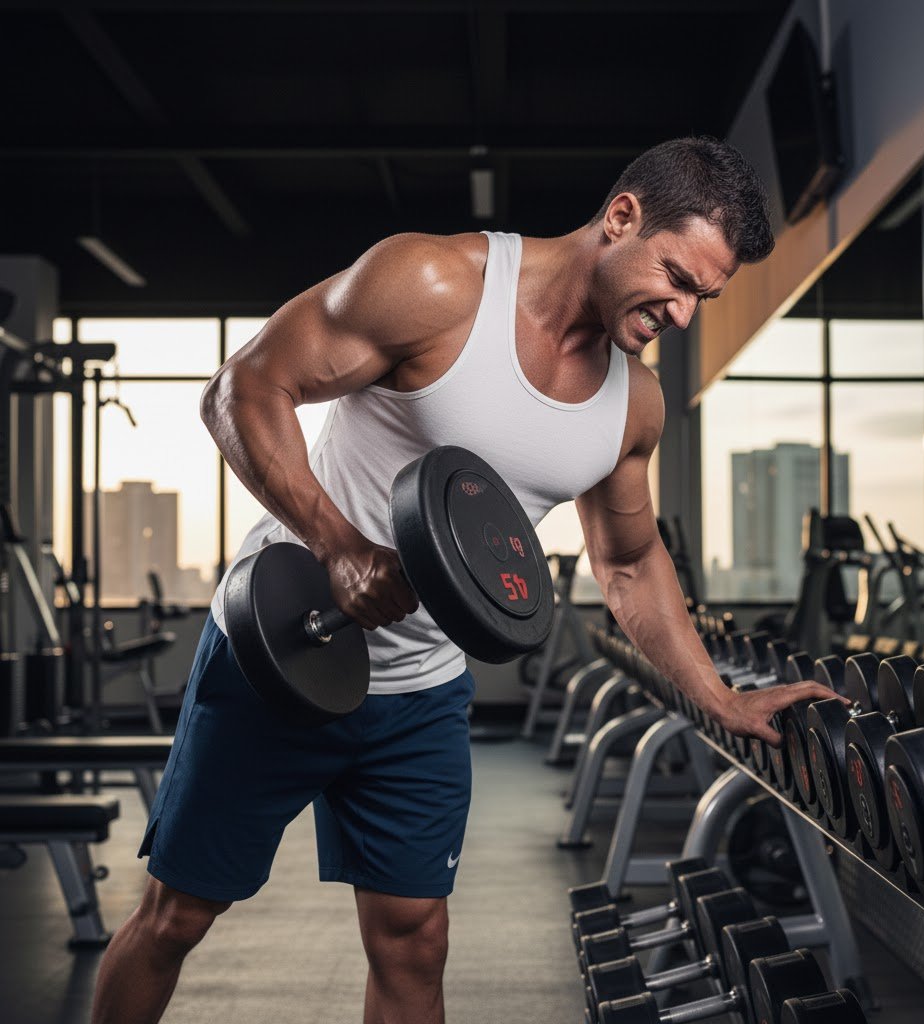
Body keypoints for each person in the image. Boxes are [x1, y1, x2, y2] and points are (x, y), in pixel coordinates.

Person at [90, 137, 841, 1024]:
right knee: (177, 916)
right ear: (623, 218)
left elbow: (631, 562)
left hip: (421, 693)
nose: (682, 315)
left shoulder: (630, 405)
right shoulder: (435, 284)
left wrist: (716, 696)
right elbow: (243, 390)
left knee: (416, 940)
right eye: (676, 278)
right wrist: (337, 547)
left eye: (701, 299)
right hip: (281, 652)